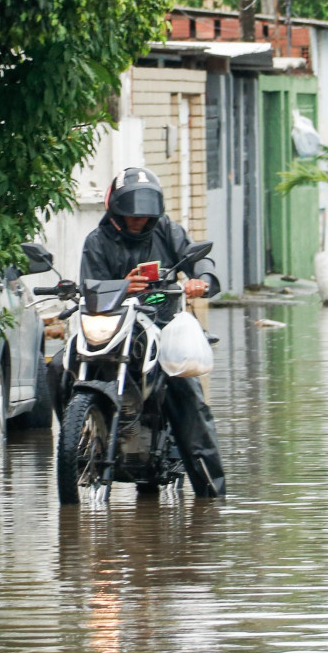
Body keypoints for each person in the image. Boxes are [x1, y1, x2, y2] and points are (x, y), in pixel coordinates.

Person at [78, 166, 226, 498]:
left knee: (189, 399)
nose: (138, 222)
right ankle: (76, 447)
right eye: (131, 216)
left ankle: (212, 496)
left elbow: (201, 262)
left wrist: (202, 281)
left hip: (162, 328)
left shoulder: (167, 231)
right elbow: (88, 288)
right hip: (111, 330)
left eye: (144, 217)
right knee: (60, 367)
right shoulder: (97, 242)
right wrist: (122, 286)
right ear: (115, 210)